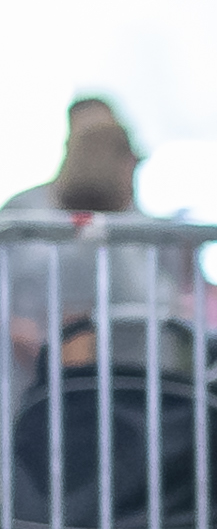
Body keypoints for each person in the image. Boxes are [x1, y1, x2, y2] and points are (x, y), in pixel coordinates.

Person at [5, 98, 175, 363]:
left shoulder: (138, 227)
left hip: (126, 372)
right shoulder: (27, 215)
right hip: (78, 377)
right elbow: (75, 349)